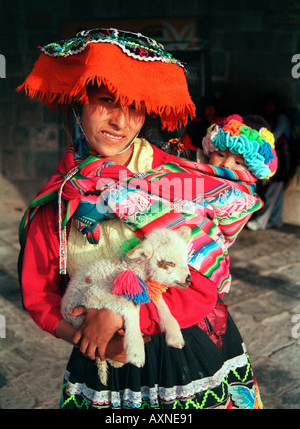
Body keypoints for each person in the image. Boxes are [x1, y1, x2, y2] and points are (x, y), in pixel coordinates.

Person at [17, 28, 264, 409]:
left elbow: (201, 282)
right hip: (101, 356)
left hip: (183, 349)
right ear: (78, 104)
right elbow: (39, 296)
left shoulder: (176, 182)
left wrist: (125, 316)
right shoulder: (58, 199)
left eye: (133, 106)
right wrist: (86, 335)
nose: (120, 121)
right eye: (105, 101)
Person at [246, 95, 291, 230]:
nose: (269, 107)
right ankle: (275, 220)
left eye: (271, 104)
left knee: (273, 191)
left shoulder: (281, 118)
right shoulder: (271, 118)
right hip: (273, 158)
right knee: (272, 192)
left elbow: (274, 137)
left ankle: (261, 221)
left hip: (281, 160)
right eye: (267, 104)